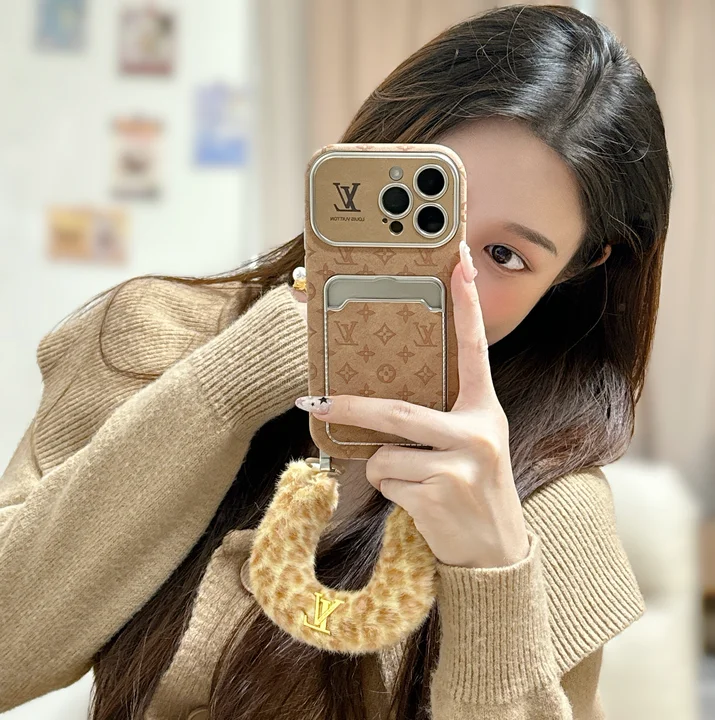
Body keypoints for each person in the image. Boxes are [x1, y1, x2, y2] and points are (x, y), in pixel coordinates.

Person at [0, 5, 671, 719]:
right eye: (419, 217)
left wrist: (494, 570)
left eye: (505, 255)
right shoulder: (157, 336)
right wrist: (229, 386)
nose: (443, 278)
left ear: (577, 271)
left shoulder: (549, 498)